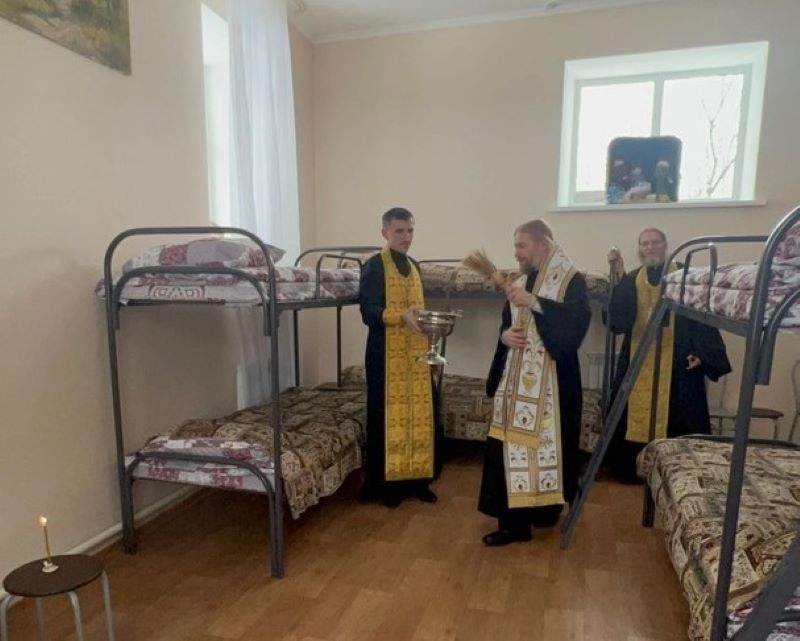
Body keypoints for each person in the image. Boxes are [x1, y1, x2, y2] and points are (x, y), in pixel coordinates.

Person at [478, 219, 590, 546]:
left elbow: (575, 324)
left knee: (547, 448)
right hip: (515, 384)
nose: (516, 253)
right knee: (509, 448)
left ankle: (543, 513)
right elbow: (507, 323)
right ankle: (513, 525)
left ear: (543, 244)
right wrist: (504, 336)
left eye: (521, 246)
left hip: (554, 387)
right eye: (515, 246)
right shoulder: (520, 279)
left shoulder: (571, 280)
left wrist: (535, 302)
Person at [605, 228, 732, 482]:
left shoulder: (687, 276)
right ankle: (630, 471)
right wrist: (618, 274)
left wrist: (701, 352)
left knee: (681, 415)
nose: (650, 248)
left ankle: (679, 475)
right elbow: (618, 318)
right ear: (640, 249)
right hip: (638, 360)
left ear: (665, 245)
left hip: (677, 362)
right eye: (644, 244)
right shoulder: (632, 279)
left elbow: (702, 314)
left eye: (655, 242)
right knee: (628, 411)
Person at [358, 207, 441, 507]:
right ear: (385, 233)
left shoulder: (415, 266)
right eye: (399, 231)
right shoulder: (373, 267)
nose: (406, 237)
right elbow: (368, 312)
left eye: (410, 231)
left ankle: (419, 481)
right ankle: (387, 488)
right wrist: (399, 316)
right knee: (386, 417)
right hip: (385, 354)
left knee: (421, 416)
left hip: (416, 354)